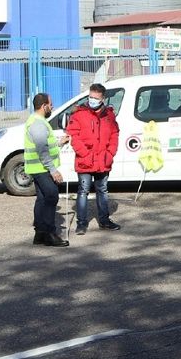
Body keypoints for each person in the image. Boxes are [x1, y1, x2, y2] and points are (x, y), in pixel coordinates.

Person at [65, 83, 121, 235]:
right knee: (83, 190)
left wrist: (110, 153)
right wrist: (84, 153)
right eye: (91, 97)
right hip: (85, 160)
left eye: (96, 98)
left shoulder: (109, 115)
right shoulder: (79, 113)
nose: (92, 100)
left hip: (103, 159)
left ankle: (104, 220)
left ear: (103, 98)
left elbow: (115, 134)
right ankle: (81, 223)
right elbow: (73, 136)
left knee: (102, 190)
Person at [23, 93, 69, 247]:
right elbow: (42, 149)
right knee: (51, 196)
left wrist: (59, 143)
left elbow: (46, 145)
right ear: (44, 106)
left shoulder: (38, 121)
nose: (52, 107)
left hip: (38, 167)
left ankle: (40, 234)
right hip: (41, 168)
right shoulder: (38, 123)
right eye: (51, 104)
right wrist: (53, 170)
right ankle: (49, 233)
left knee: (42, 199)